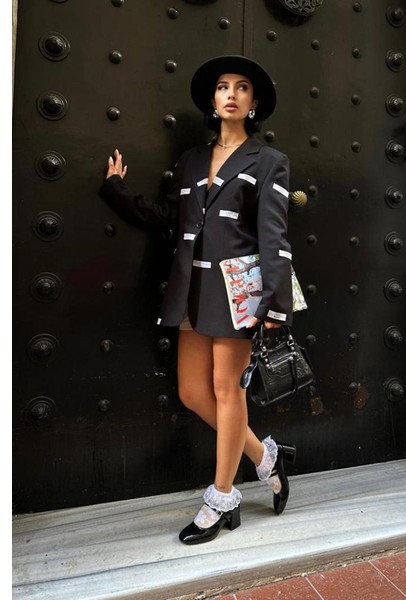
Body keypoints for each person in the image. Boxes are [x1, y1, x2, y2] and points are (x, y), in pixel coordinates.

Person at [100, 55, 296, 545]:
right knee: (192, 392)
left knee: (228, 390)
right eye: (223, 86)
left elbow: (273, 236)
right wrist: (117, 190)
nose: (231, 94)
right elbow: (169, 218)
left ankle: (222, 498)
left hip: (237, 293)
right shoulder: (190, 160)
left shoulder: (268, 160)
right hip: (191, 290)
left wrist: (274, 304)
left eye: (242, 87)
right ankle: (265, 456)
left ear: (253, 103)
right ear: (212, 100)